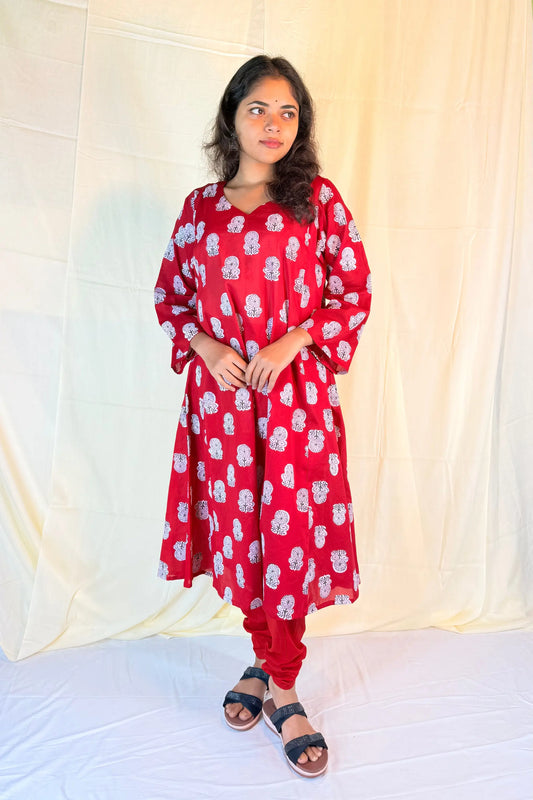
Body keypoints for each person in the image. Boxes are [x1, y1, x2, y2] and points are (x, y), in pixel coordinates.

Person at [154, 54, 371, 778]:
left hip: (294, 402)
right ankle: (264, 656)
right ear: (231, 116)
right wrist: (206, 342)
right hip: (221, 409)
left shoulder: (317, 203)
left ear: (299, 122)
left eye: (287, 111)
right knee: (243, 538)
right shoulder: (199, 208)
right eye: (258, 109)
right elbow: (171, 297)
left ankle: (281, 686)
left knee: (288, 538)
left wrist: (296, 336)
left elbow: (352, 291)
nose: (273, 124)